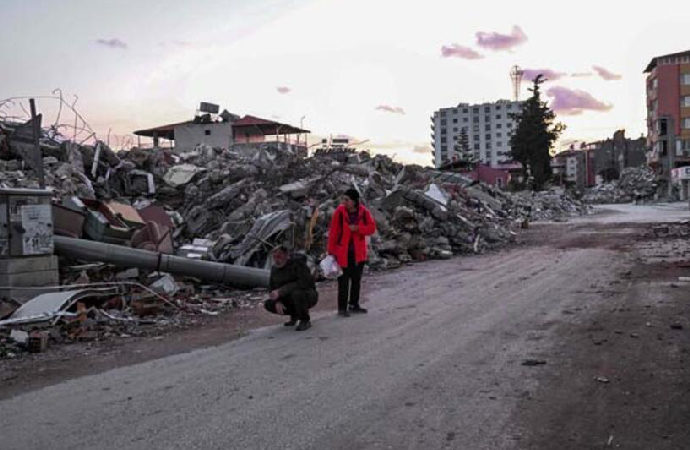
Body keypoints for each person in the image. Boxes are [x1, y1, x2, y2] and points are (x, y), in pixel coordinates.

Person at [327, 188, 376, 317]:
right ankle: (342, 308)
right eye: (344, 199)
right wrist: (331, 251)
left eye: (347, 200)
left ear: (354, 201)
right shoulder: (340, 212)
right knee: (343, 281)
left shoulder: (364, 212)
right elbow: (334, 232)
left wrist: (358, 229)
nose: (344, 202)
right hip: (342, 252)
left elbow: (371, 228)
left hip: (358, 253)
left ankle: (354, 304)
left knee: (356, 280)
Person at [264, 246, 318, 331]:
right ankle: (294, 314)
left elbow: (304, 283)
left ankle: (305, 320)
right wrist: (277, 301)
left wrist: (281, 291)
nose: (277, 260)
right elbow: (272, 287)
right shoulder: (274, 269)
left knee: (297, 294)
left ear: (286, 255)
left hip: (307, 294)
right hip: (287, 297)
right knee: (269, 304)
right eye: (274, 257)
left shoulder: (298, 264)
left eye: (279, 257)